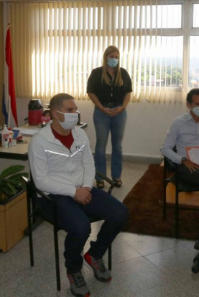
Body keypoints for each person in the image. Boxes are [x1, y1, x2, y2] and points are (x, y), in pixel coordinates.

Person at [28, 93, 128, 297]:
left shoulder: (79, 134)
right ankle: (74, 270)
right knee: (81, 227)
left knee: (121, 214)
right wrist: (73, 192)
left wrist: (85, 188)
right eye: (70, 110)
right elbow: (41, 181)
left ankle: (94, 254)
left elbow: (89, 164)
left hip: (83, 189)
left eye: (75, 109)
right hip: (54, 196)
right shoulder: (39, 141)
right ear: (56, 114)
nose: (75, 113)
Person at [87, 46, 132, 189]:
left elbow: (128, 92)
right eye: (112, 56)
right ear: (106, 56)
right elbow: (91, 92)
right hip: (102, 112)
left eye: (117, 57)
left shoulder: (123, 73)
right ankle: (100, 178)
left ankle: (116, 177)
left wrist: (123, 107)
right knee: (100, 145)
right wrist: (102, 108)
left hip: (120, 111)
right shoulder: (96, 73)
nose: (114, 59)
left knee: (117, 145)